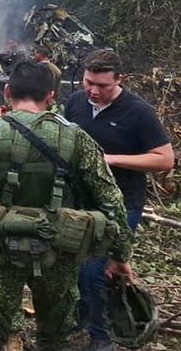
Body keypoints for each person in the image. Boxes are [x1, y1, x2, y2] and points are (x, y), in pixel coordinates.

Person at [0, 60, 136, 351]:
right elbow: (112, 202)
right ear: (51, 96)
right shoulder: (77, 139)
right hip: (59, 252)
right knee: (55, 337)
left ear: (7, 91)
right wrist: (120, 254)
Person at [63, 49, 174, 350]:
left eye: (102, 86)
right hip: (78, 203)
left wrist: (111, 160)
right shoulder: (75, 102)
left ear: (119, 80)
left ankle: (101, 339)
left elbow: (165, 159)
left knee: (95, 270)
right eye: (88, 83)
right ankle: (81, 325)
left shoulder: (138, 112)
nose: (93, 91)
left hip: (121, 204)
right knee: (73, 268)